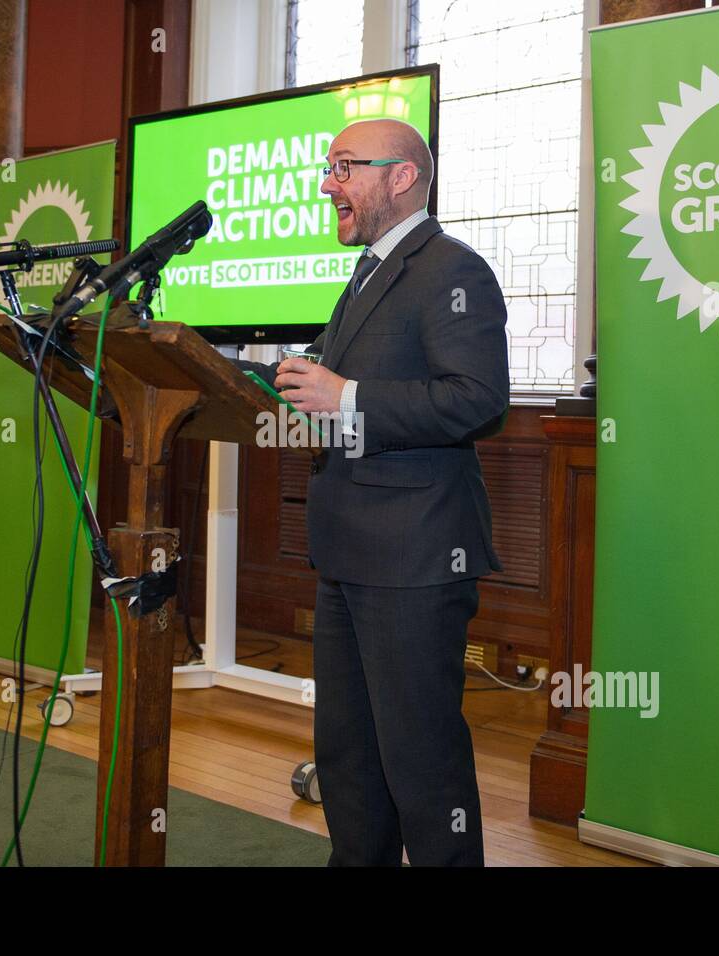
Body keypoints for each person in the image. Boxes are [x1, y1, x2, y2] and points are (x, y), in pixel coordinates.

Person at [236, 118, 509, 866]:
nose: (328, 185)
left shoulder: (453, 269)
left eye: (344, 168)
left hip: (418, 554)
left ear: (401, 178)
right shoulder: (366, 273)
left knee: (421, 763)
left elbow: (479, 399)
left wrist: (349, 397)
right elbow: (322, 389)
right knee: (350, 759)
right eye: (328, 168)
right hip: (351, 551)